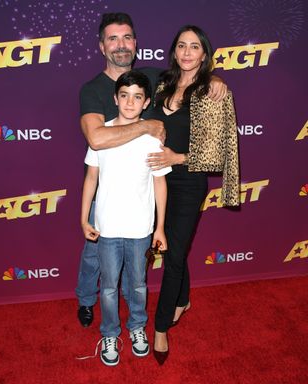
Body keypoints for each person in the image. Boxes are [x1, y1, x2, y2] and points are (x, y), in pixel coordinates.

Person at [76, 12, 228, 327]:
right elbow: (96, 137)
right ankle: (86, 300)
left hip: (143, 185)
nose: (121, 45)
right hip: (106, 187)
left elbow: (188, 74)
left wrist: (214, 79)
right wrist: (146, 125)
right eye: (113, 39)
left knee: (139, 258)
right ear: (101, 46)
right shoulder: (91, 89)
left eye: (127, 37)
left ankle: (143, 317)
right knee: (95, 256)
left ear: (135, 43)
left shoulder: (153, 76)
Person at [146, 25, 240, 364]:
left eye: (194, 46)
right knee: (173, 244)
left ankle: (159, 328)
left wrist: (177, 157)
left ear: (204, 54)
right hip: (154, 180)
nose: (187, 52)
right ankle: (183, 299)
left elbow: (215, 154)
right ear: (174, 52)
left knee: (172, 255)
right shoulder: (161, 84)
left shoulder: (212, 92)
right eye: (181, 46)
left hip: (188, 182)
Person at [82, 70, 171, 366]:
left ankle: (136, 328)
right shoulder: (103, 136)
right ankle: (109, 332)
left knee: (137, 284)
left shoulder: (152, 138)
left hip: (140, 230)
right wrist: (84, 219)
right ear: (115, 99)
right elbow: (91, 178)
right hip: (107, 228)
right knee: (108, 286)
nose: (130, 102)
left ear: (146, 103)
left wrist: (159, 227)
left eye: (137, 97)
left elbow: (160, 182)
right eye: (124, 96)